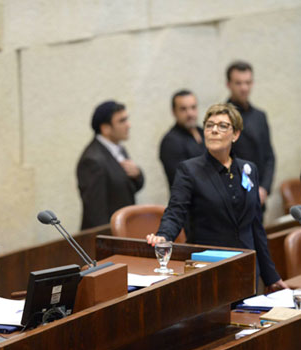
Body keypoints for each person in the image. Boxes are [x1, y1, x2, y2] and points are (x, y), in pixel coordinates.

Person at [147, 103, 286, 291]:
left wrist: (271, 276)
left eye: (222, 126)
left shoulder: (249, 169)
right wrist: (163, 236)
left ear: (235, 134)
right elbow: (175, 211)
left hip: (246, 268)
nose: (214, 130)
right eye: (209, 125)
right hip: (210, 269)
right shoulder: (190, 170)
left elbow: (255, 226)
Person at [77, 100, 144, 230]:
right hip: (107, 236)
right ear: (105, 128)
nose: (128, 125)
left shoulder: (118, 148)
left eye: (127, 119)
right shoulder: (92, 160)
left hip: (123, 229)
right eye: (122, 121)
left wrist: (137, 174)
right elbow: (96, 213)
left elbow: (129, 188)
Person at [226, 61, 275, 210]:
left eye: (248, 82)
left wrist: (264, 188)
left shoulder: (260, 116)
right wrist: (248, 190)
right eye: (238, 83)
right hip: (235, 197)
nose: (244, 88)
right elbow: (224, 161)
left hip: (259, 197)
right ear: (229, 85)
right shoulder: (223, 117)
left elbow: (269, 156)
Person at [159, 90, 205, 187]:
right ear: (174, 112)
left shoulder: (204, 132)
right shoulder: (170, 142)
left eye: (193, 107)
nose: (190, 113)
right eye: (183, 109)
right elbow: (182, 179)